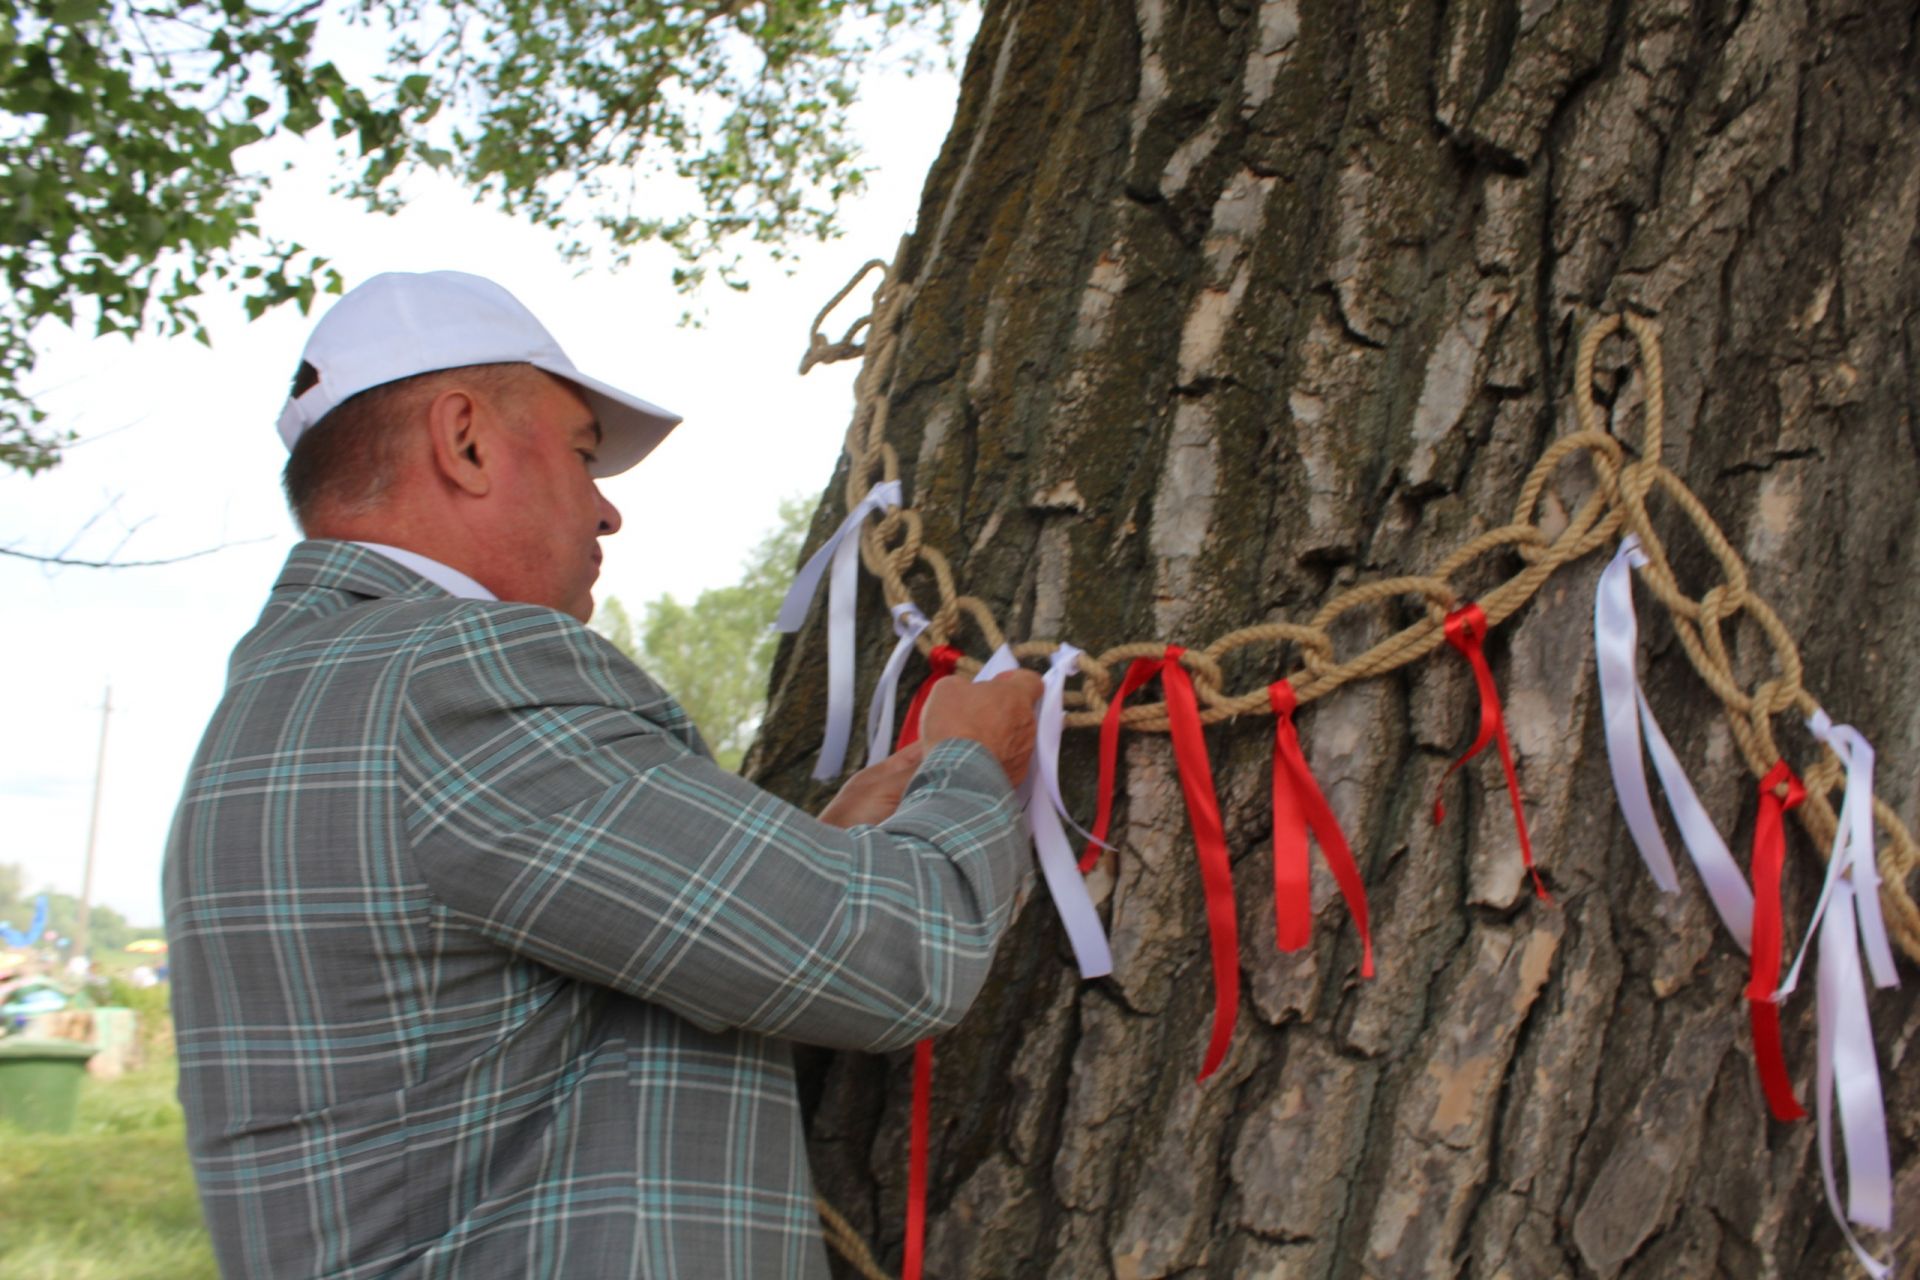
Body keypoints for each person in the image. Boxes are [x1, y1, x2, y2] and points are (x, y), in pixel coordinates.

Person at [163, 271, 1041, 1278]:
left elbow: (516, 1027)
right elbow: (898, 956)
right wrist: (973, 761)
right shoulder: (464, 674)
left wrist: (823, 850)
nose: (606, 509)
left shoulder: (288, 694)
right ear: (466, 439)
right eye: (583, 453)